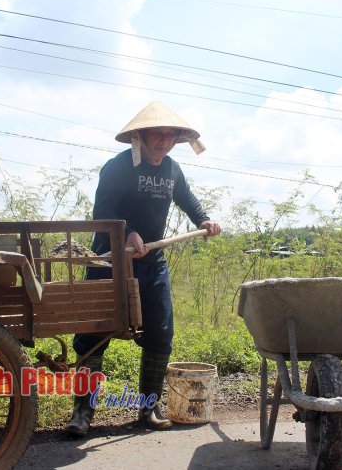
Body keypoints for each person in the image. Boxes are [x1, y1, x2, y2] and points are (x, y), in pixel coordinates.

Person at [65, 101, 221, 436]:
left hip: (152, 263)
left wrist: (203, 218)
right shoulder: (118, 167)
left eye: (169, 136)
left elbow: (187, 198)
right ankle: (82, 412)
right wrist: (126, 232)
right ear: (141, 136)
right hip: (109, 262)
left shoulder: (172, 170)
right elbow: (102, 211)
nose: (163, 142)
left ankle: (148, 408)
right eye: (157, 135)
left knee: (160, 336)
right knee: (92, 337)